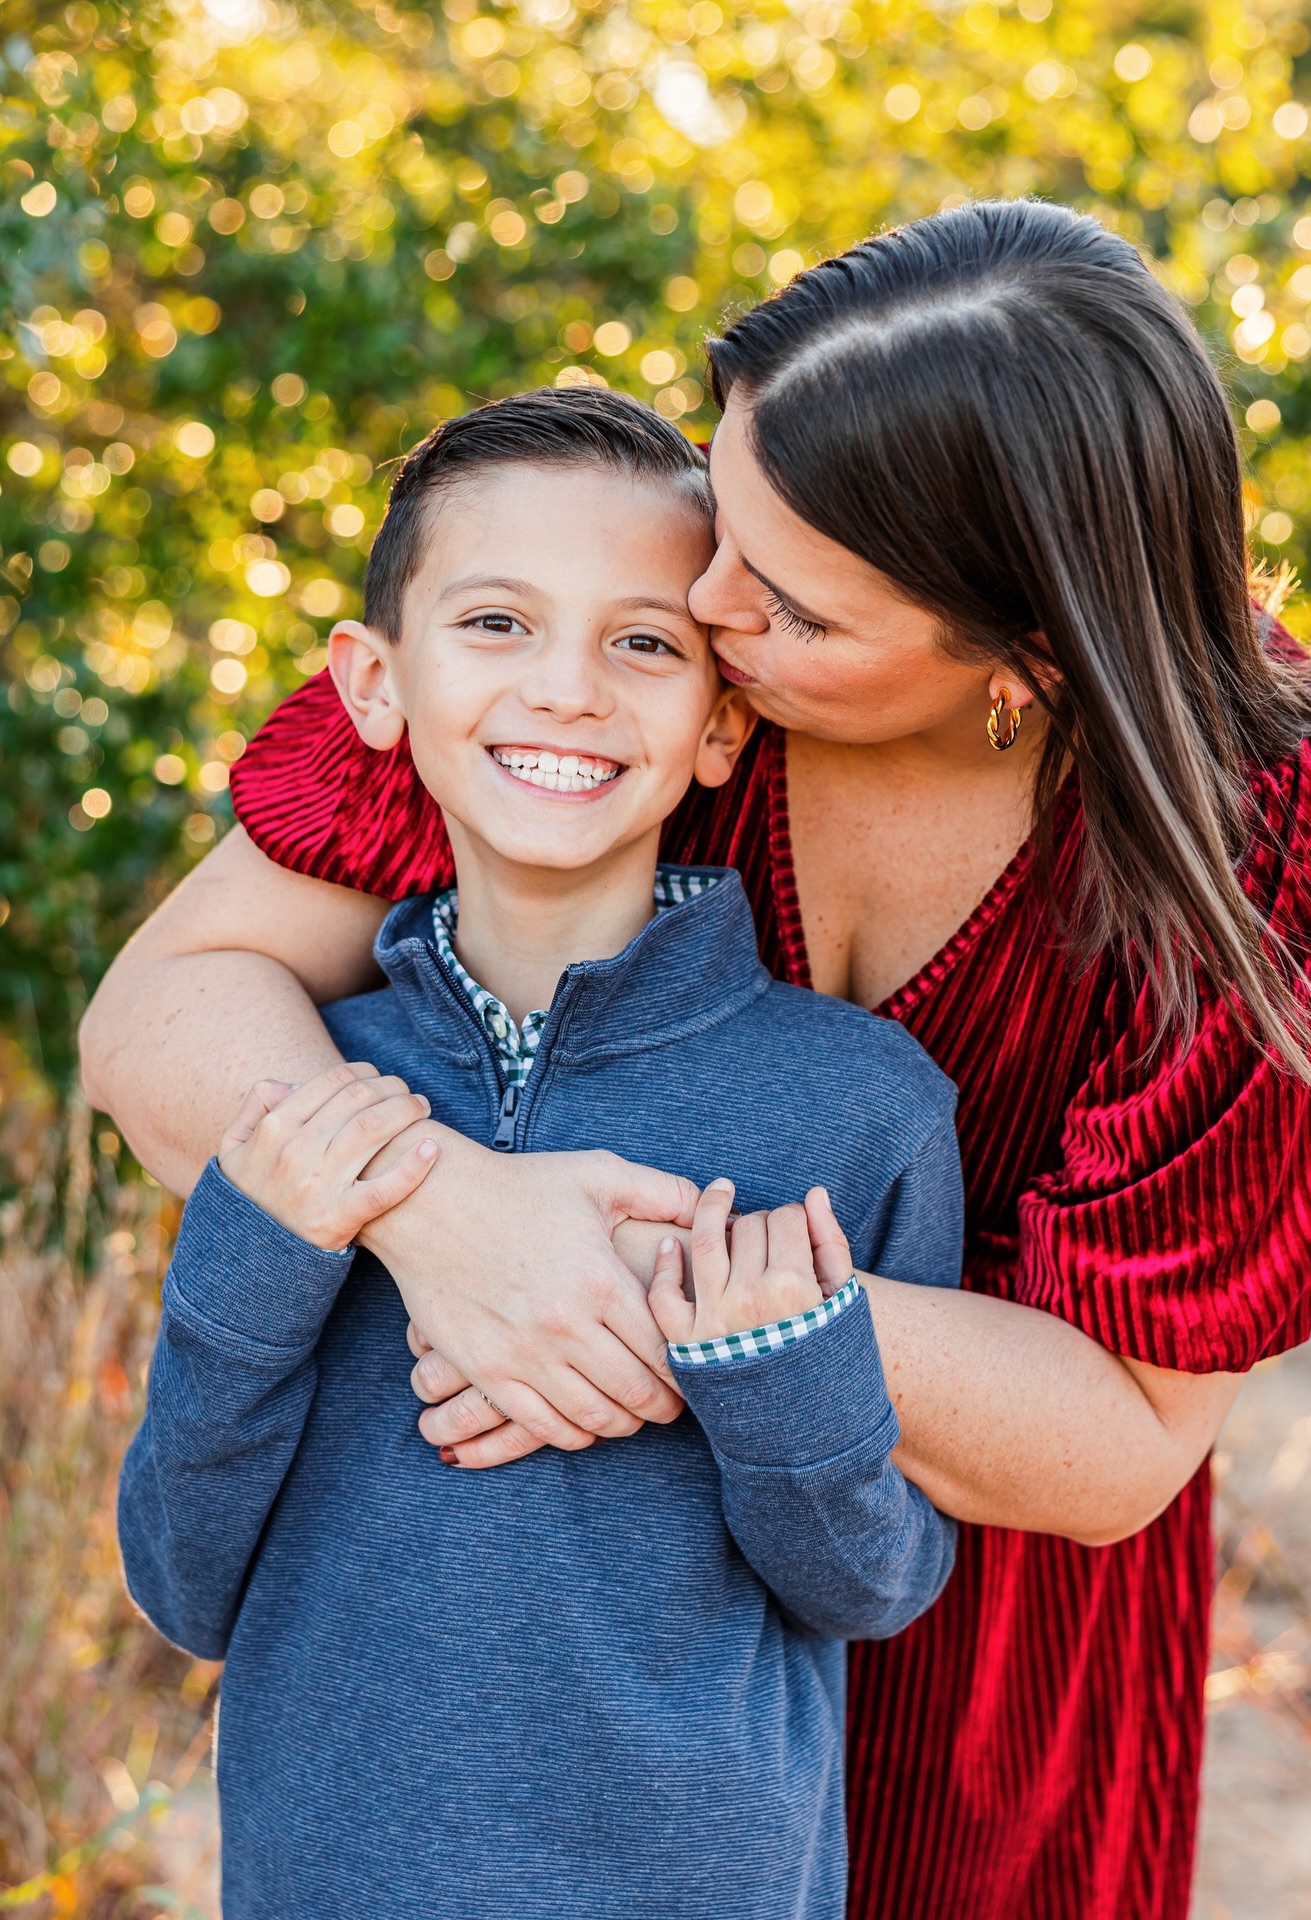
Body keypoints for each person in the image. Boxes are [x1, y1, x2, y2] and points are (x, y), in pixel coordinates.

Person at [83, 200, 1311, 1920]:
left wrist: (617, 1271)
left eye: (784, 608)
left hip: (964, 1651)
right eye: (725, 499)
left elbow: (1123, 1429)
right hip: (516, 1676)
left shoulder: (1257, 815)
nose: (701, 605)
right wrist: (452, 1215)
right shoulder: (592, 622)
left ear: (1031, 654)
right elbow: (165, 1007)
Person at [116, 390, 964, 1920]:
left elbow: (877, 1587)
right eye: (497, 623)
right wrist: (265, 1251)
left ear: (722, 723)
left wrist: (774, 1370)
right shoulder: (318, 1104)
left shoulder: (858, 1108)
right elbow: (183, 1585)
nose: (567, 690)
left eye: (643, 641)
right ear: (374, 686)